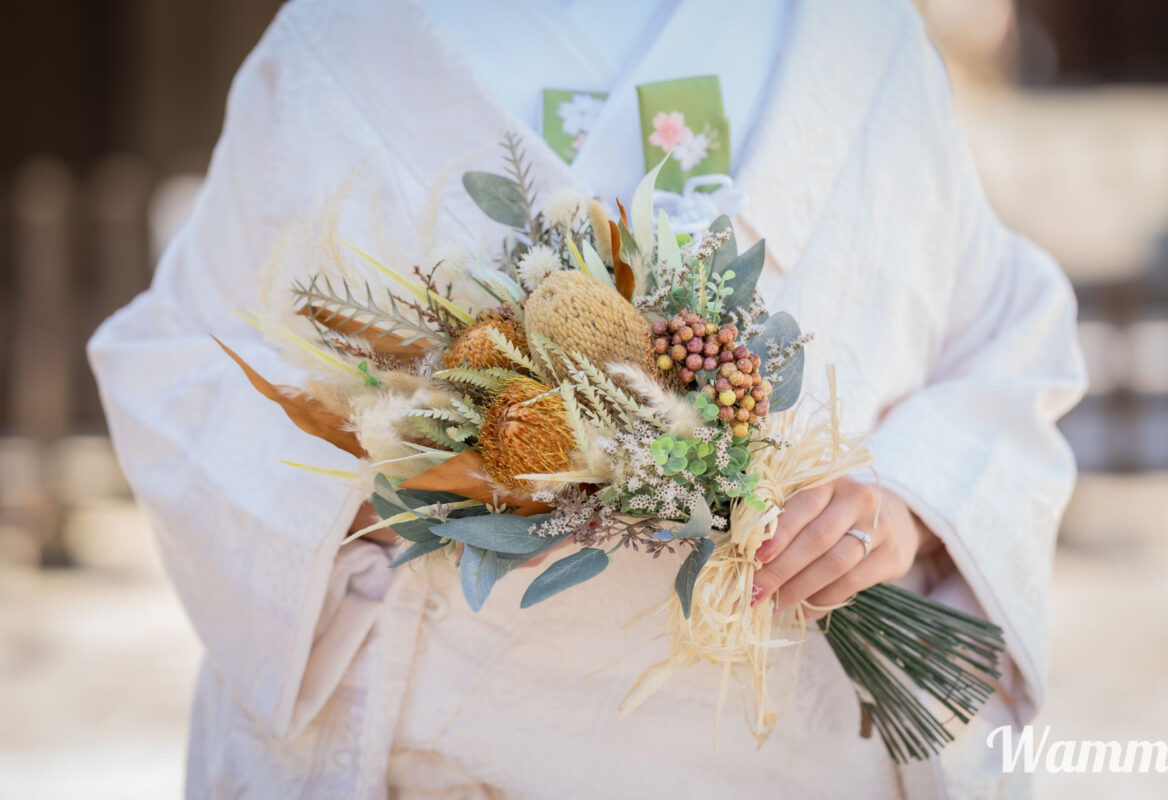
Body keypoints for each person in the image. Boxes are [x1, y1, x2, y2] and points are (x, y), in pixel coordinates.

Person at [89, 0, 1087, 797]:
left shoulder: (860, 42)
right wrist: (411, 480)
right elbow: (181, 363)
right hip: (446, 758)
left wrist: (904, 510)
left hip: (805, 746)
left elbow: (1002, 340)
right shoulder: (343, 44)